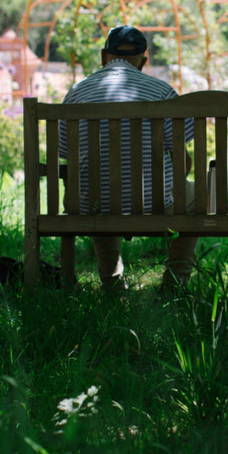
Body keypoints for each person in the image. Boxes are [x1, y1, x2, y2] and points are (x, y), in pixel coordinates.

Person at [58, 25, 196, 293]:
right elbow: (182, 160)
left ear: (103, 56)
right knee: (195, 198)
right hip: (154, 203)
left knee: (96, 188)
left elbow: (68, 156)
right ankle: (175, 284)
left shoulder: (76, 93)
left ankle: (112, 283)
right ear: (144, 62)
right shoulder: (163, 93)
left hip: (91, 205)